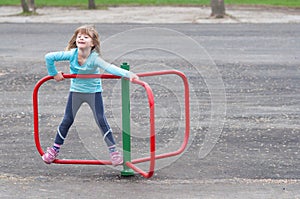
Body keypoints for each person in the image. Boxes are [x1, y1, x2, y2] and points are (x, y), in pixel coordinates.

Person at [42, 25, 139, 166]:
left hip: (94, 93)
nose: (81, 38)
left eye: (86, 36)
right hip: (76, 92)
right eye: (79, 36)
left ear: (92, 43)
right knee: (67, 120)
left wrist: (128, 74)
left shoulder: (95, 59)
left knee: (101, 120)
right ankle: (54, 149)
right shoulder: (71, 54)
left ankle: (114, 152)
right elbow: (49, 57)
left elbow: (109, 68)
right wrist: (54, 74)